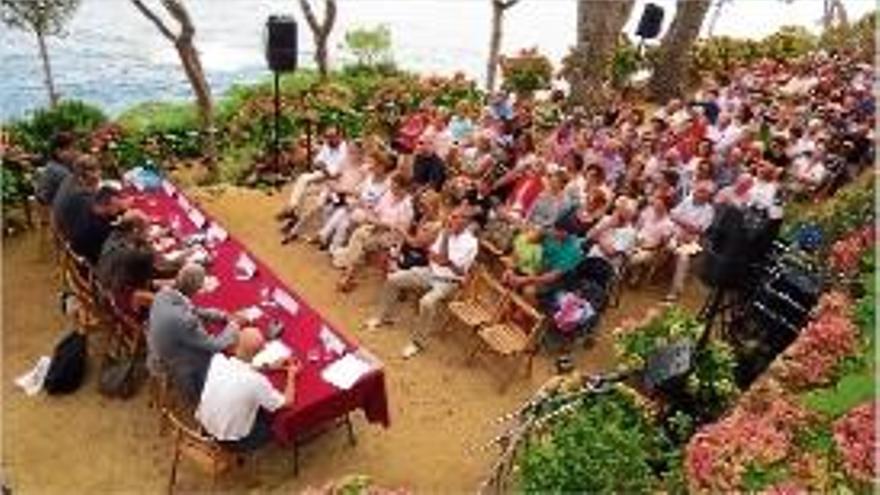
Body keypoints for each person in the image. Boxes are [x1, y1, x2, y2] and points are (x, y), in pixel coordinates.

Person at [365, 207, 479, 359]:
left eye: (457, 217)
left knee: (427, 302)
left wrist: (445, 240)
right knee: (393, 279)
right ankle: (383, 316)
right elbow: (434, 256)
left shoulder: (470, 243)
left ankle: (417, 343)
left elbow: (456, 270)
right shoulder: (446, 231)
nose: (452, 220)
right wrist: (443, 258)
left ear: (466, 222)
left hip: (448, 282)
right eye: (452, 216)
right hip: (430, 271)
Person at [196, 327, 300, 452]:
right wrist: (291, 375)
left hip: (204, 425)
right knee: (273, 420)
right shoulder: (257, 381)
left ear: (236, 343)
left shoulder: (218, 360)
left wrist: (269, 367)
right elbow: (287, 402)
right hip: (232, 441)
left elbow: (241, 368)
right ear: (260, 353)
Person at [147, 263, 240, 403]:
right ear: (197, 289)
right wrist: (234, 324)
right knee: (221, 358)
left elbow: (192, 309)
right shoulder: (184, 321)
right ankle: (204, 398)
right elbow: (215, 345)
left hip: (158, 350)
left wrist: (222, 316)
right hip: (173, 364)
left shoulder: (164, 293)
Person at [278, 126, 349, 223]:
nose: (328, 139)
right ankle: (292, 207)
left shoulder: (344, 149)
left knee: (314, 192)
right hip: (323, 173)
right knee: (303, 178)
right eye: (327, 136)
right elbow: (318, 160)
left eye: (331, 136)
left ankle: (297, 216)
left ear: (339, 136)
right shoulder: (327, 145)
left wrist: (323, 167)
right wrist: (320, 164)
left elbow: (337, 171)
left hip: (335, 177)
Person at [666, 181, 716, 301]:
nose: (698, 193)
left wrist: (681, 222)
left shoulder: (709, 210)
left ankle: (675, 291)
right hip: (676, 236)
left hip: (693, 242)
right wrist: (686, 225)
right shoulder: (687, 201)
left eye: (703, 192)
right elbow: (672, 215)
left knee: (683, 258)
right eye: (698, 190)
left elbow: (699, 229)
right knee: (667, 244)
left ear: (708, 196)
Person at [35, 131, 77, 205]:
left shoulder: (52, 165)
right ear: (58, 152)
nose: (74, 152)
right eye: (70, 149)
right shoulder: (61, 172)